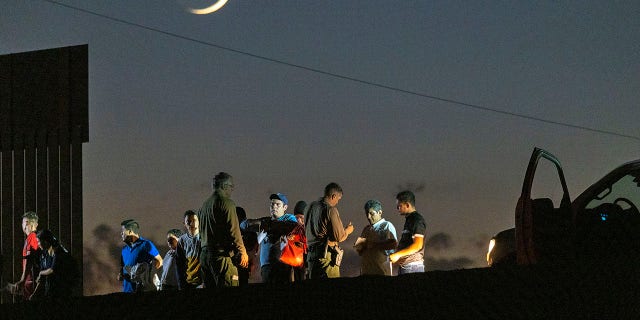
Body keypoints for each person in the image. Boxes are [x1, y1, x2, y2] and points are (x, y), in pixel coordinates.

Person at [196, 172, 248, 288]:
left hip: (205, 256)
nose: (232, 189)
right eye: (231, 186)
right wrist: (242, 251)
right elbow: (234, 230)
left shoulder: (204, 206)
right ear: (224, 186)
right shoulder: (227, 203)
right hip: (221, 256)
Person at [241, 193, 298, 283]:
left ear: (285, 207)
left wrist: (268, 226)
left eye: (278, 204)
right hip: (266, 266)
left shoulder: (289, 219)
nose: (274, 207)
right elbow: (244, 225)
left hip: (282, 266)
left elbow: (292, 226)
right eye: (272, 204)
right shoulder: (266, 221)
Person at [305, 183, 354, 279]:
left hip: (311, 257)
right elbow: (339, 236)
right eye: (338, 199)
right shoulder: (330, 210)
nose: (337, 202)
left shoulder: (309, 208)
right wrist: (348, 231)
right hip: (326, 257)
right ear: (333, 196)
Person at [353, 200, 398, 276]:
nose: (368, 217)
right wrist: (359, 247)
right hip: (366, 272)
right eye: (367, 213)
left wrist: (373, 245)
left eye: (372, 213)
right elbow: (360, 251)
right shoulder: (366, 229)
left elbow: (394, 244)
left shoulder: (386, 225)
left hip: (381, 272)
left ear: (380, 212)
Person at [118, 219, 163, 292]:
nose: (121, 234)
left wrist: (149, 274)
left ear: (130, 232)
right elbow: (123, 267)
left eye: (123, 231)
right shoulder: (124, 250)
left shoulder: (146, 244)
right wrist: (120, 274)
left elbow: (160, 261)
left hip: (142, 291)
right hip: (126, 291)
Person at [32, 229, 77, 299]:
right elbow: (41, 278)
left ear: (45, 241)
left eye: (38, 241)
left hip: (61, 293)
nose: (38, 244)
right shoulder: (44, 255)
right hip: (50, 293)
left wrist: (41, 273)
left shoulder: (58, 252)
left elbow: (52, 270)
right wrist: (34, 294)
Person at [389, 190, 427, 274]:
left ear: (407, 205)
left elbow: (417, 245)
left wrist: (397, 255)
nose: (397, 208)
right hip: (407, 267)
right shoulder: (410, 219)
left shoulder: (417, 220)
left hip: (412, 267)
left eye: (399, 206)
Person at [11, 211, 40, 300]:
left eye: (23, 222)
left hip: (31, 281)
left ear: (26, 224)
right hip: (31, 280)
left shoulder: (32, 237)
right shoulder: (35, 237)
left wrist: (23, 280)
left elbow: (29, 259)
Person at [176, 210, 202, 290]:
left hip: (202, 283)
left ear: (198, 221)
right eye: (188, 221)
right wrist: (181, 284)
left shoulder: (204, 238)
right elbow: (179, 264)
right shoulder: (182, 240)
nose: (191, 223)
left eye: (194, 220)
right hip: (188, 283)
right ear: (184, 224)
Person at [235, 206, 258, 286]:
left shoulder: (247, 233)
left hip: (243, 265)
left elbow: (252, 249)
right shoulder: (250, 232)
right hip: (242, 265)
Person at [292, 200, 307, 281]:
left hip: (307, 262)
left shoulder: (310, 229)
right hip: (296, 263)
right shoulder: (293, 230)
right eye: (296, 218)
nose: (298, 220)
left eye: (301, 217)